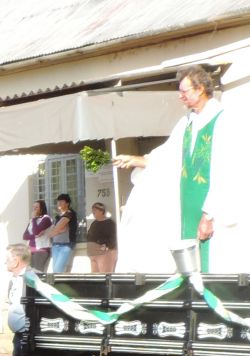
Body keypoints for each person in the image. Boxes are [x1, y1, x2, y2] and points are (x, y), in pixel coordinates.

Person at [112, 64, 238, 272]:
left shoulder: (223, 119)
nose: (180, 97)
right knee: (191, 267)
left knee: (214, 266)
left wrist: (209, 214)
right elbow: (166, 157)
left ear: (200, 89)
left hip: (214, 210)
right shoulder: (186, 123)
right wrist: (135, 160)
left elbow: (226, 170)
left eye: (184, 91)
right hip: (186, 209)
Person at [45, 193, 77, 272]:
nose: (59, 203)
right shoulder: (57, 216)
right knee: (56, 270)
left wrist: (56, 231)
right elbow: (50, 233)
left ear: (67, 203)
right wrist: (59, 231)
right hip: (55, 244)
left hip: (66, 245)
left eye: (62, 201)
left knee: (58, 270)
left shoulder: (69, 213)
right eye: (58, 201)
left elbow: (56, 228)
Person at [22, 199, 53, 271]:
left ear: (41, 209)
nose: (34, 209)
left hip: (41, 250)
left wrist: (34, 219)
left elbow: (36, 231)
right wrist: (34, 236)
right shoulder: (32, 220)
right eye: (33, 207)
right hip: (30, 250)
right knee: (29, 273)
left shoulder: (46, 218)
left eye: (36, 207)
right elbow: (25, 236)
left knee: (37, 273)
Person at [86, 202, 118, 273]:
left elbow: (113, 239)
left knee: (104, 274)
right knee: (95, 276)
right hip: (94, 254)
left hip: (105, 253)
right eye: (92, 210)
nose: (93, 212)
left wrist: (106, 246)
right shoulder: (94, 223)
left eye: (95, 210)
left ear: (101, 211)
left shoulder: (109, 223)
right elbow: (89, 236)